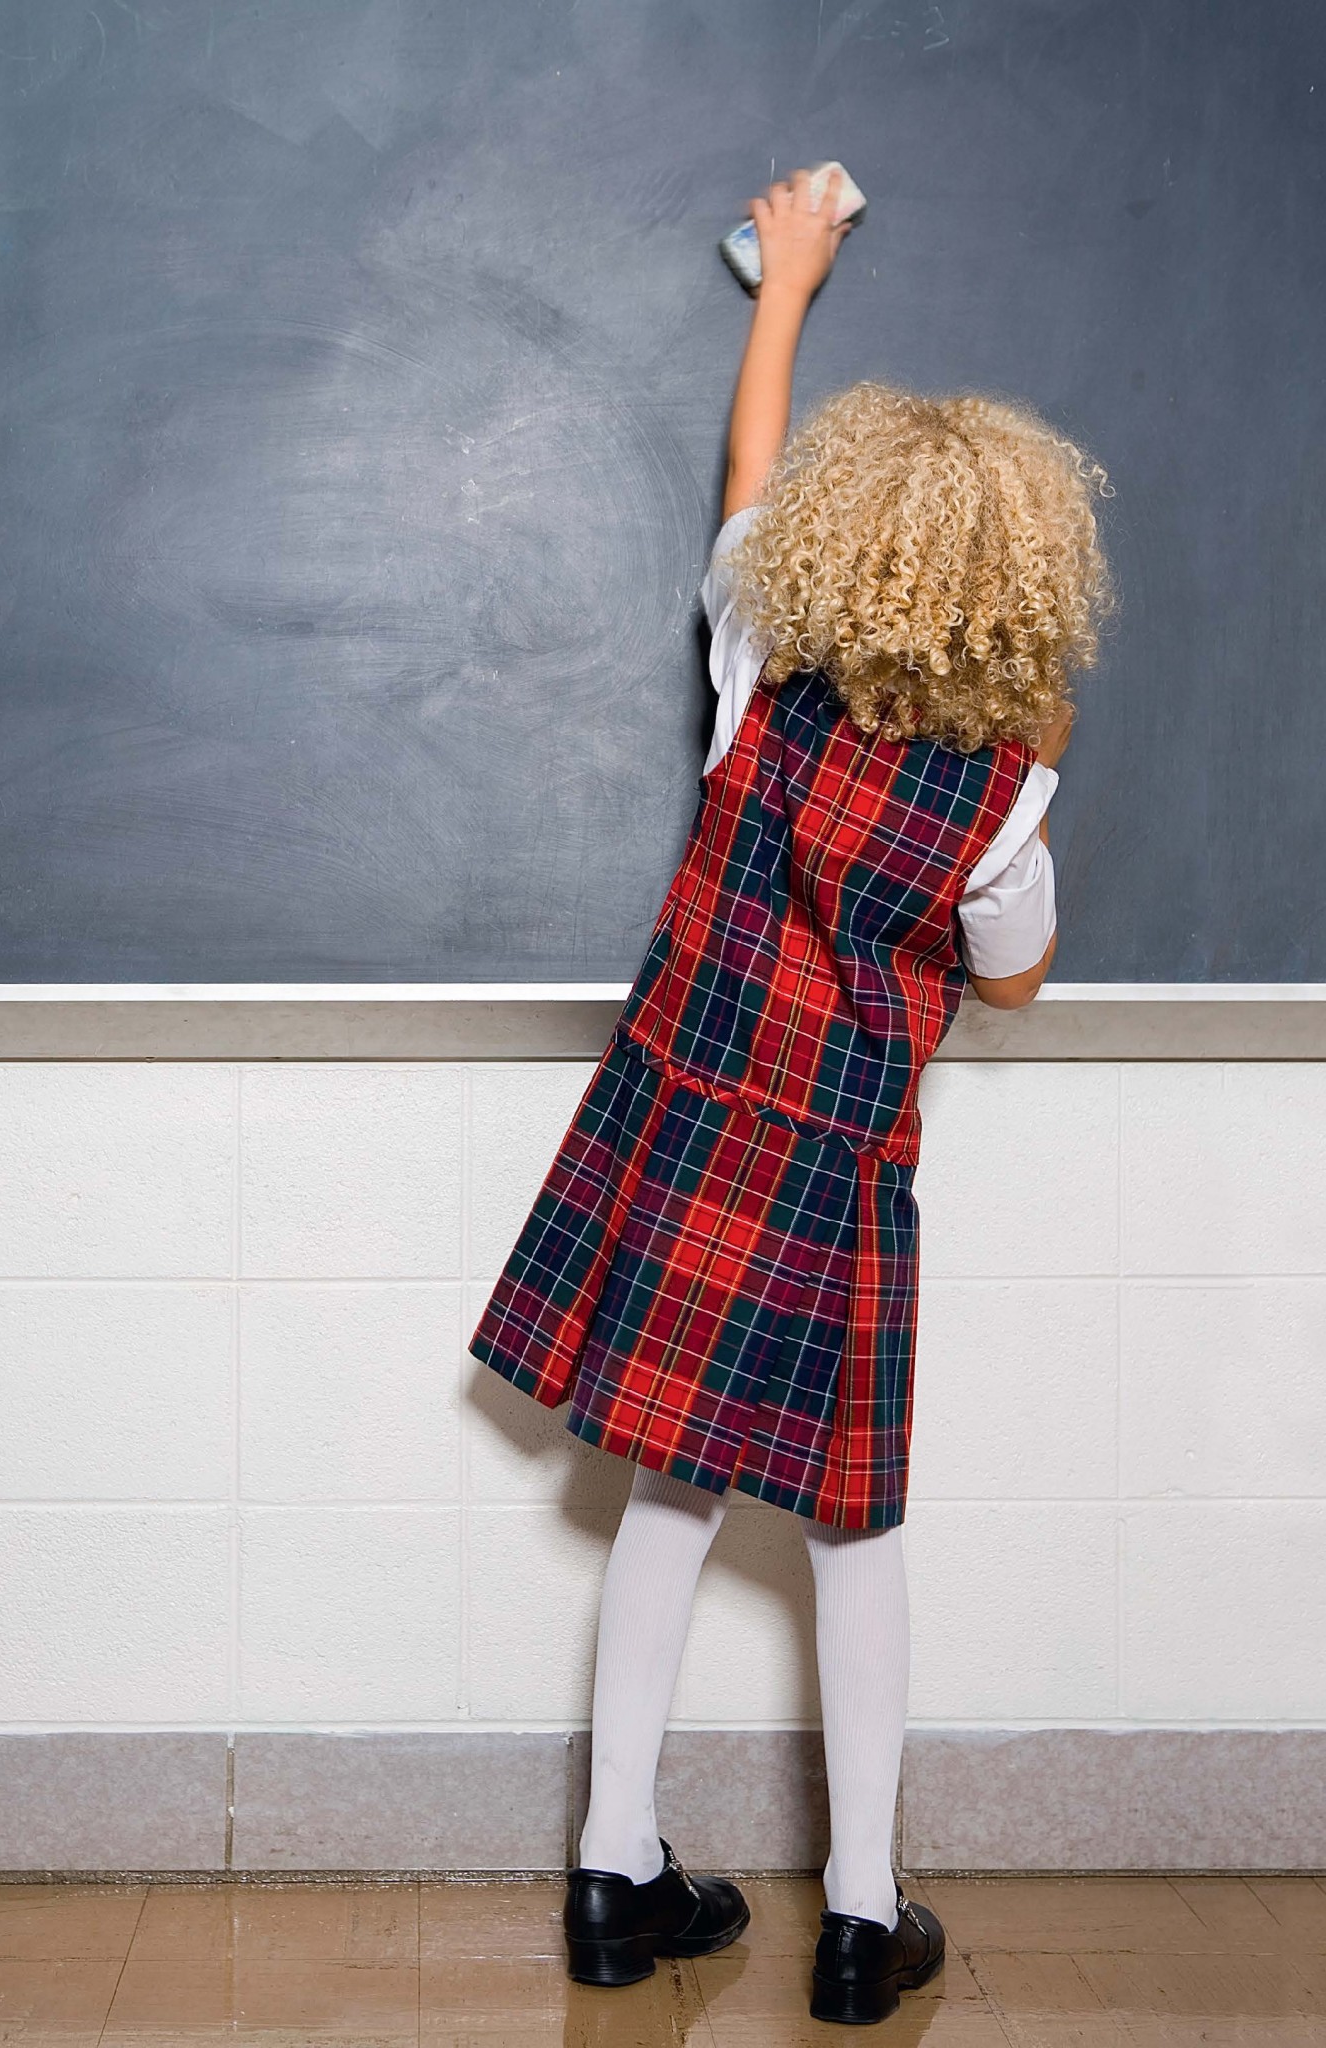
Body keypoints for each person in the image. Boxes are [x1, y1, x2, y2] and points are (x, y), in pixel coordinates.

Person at [468, 167, 1114, 2026]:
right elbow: (1012, 977)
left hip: (684, 1129)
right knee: (854, 1531)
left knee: (667, 1495)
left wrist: (787, 287)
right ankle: (859, 1911)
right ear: (1022, 587)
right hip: (836, 1180)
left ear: (838, 552)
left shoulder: (758, 672)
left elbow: (747, 482)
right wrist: (1029, 770)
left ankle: (613, 1874)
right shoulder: (1000, 797)